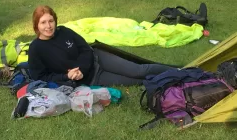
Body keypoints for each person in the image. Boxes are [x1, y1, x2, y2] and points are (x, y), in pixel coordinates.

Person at [28, 6, 173, 87]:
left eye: (51, 21)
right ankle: (173, 80)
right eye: (43, 22)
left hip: (99, 59)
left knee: (138, 70)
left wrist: (81, 69)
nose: (48, 26)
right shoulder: (36, 48)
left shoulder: (64, 32)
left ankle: (179, 71)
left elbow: (85, 49)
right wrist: (67, 76)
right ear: (36, 26)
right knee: (140, 82)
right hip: (93, 79)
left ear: (55, 21)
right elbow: (40, 76)